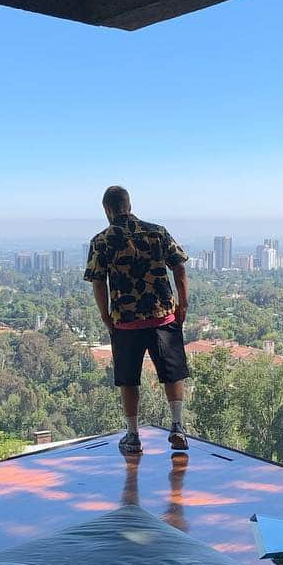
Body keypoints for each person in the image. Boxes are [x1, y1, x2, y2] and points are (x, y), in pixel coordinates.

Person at [83, 185, 190, 455]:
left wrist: (105, 315)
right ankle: (177, 426)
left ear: (107, 209)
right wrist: (182, 304)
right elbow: (179, 266)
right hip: (162, 316)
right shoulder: (157, 232)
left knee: (128, 379)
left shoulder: (102, 240)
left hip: (125, 320)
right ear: (129, 205)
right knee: (172, 372)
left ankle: (133, 436)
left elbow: (98, 281)